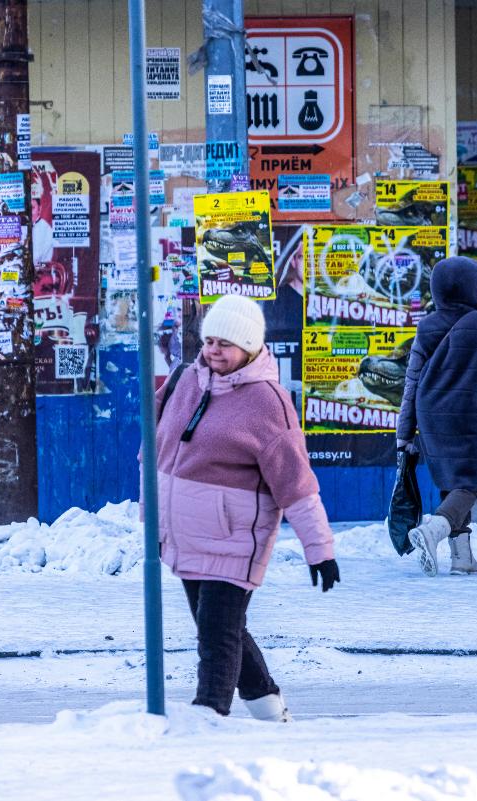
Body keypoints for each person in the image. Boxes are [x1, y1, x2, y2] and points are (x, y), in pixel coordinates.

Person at [152, 294, 339, 720]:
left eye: (226, 343)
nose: (214, 350)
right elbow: (156, 449)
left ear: (250, 348)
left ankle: (208, 719)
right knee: (219, 628)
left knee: (216, 638)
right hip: (186, 535)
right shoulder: (186, 381)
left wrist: (320, 550)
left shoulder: (267, 402)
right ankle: (270, 710)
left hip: (235, 539)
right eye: (209, 340)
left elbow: (297, 484)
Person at [397, 256, 477, 577]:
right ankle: (434, 531)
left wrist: (404, 432)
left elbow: (411, 382)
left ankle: (462, 559)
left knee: (453, 481)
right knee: (471, 482)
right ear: (473, 288)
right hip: (474, 417)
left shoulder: (425, 327)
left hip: (431, 417)